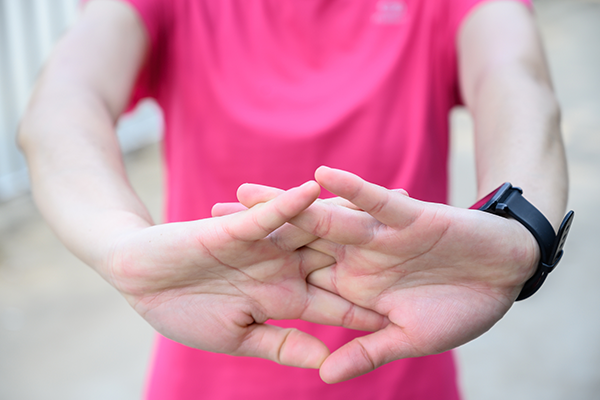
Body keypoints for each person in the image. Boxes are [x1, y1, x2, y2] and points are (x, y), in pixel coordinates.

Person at [18, 0, 569, 398]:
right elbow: (63, 104)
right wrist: (119, 243)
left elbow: (515, 81)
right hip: (206, 366)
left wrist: (522, 228)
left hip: (404, 373)